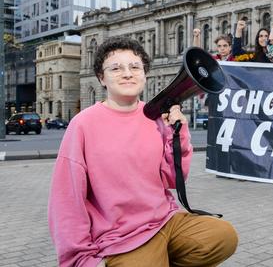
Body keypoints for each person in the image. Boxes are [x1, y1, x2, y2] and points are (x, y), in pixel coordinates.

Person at [48, 36, 238, 267]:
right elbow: (66, 199)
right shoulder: (83, 124)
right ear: (101, 78)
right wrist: (79, 258)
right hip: (121, 236)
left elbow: (170, 178)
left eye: (135, 67)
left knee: (223, 236)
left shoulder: (155, 116)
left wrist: (178, 135)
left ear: (145, 74)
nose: (127, 73)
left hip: (165, 220)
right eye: (116, 68)